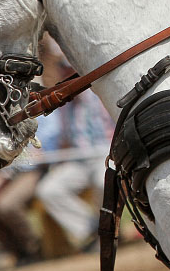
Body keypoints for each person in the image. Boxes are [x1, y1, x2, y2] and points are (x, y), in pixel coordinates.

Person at [34, 37, 114, 251]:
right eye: (62, 68)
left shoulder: (97, 90)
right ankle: (92, 231)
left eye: (68, 68)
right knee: (49, 190)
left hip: (103, 154)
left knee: (102, 181)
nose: (64, 72)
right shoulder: (62, 96)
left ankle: (103, 235)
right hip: (77, 159)